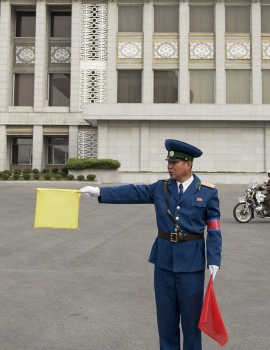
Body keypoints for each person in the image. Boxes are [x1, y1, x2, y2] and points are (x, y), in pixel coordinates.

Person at [80, 139, 221, 350]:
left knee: (192, 324)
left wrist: (214, 259)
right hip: (163, 262)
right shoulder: (161, 188)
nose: (169, 166)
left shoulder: (207, 192)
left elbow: (214, 229)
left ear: (188, 164)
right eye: (168, 162)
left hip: (191, 264)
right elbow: (133, 192)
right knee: (166, 321)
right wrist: (101, 192)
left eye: (175, 162)